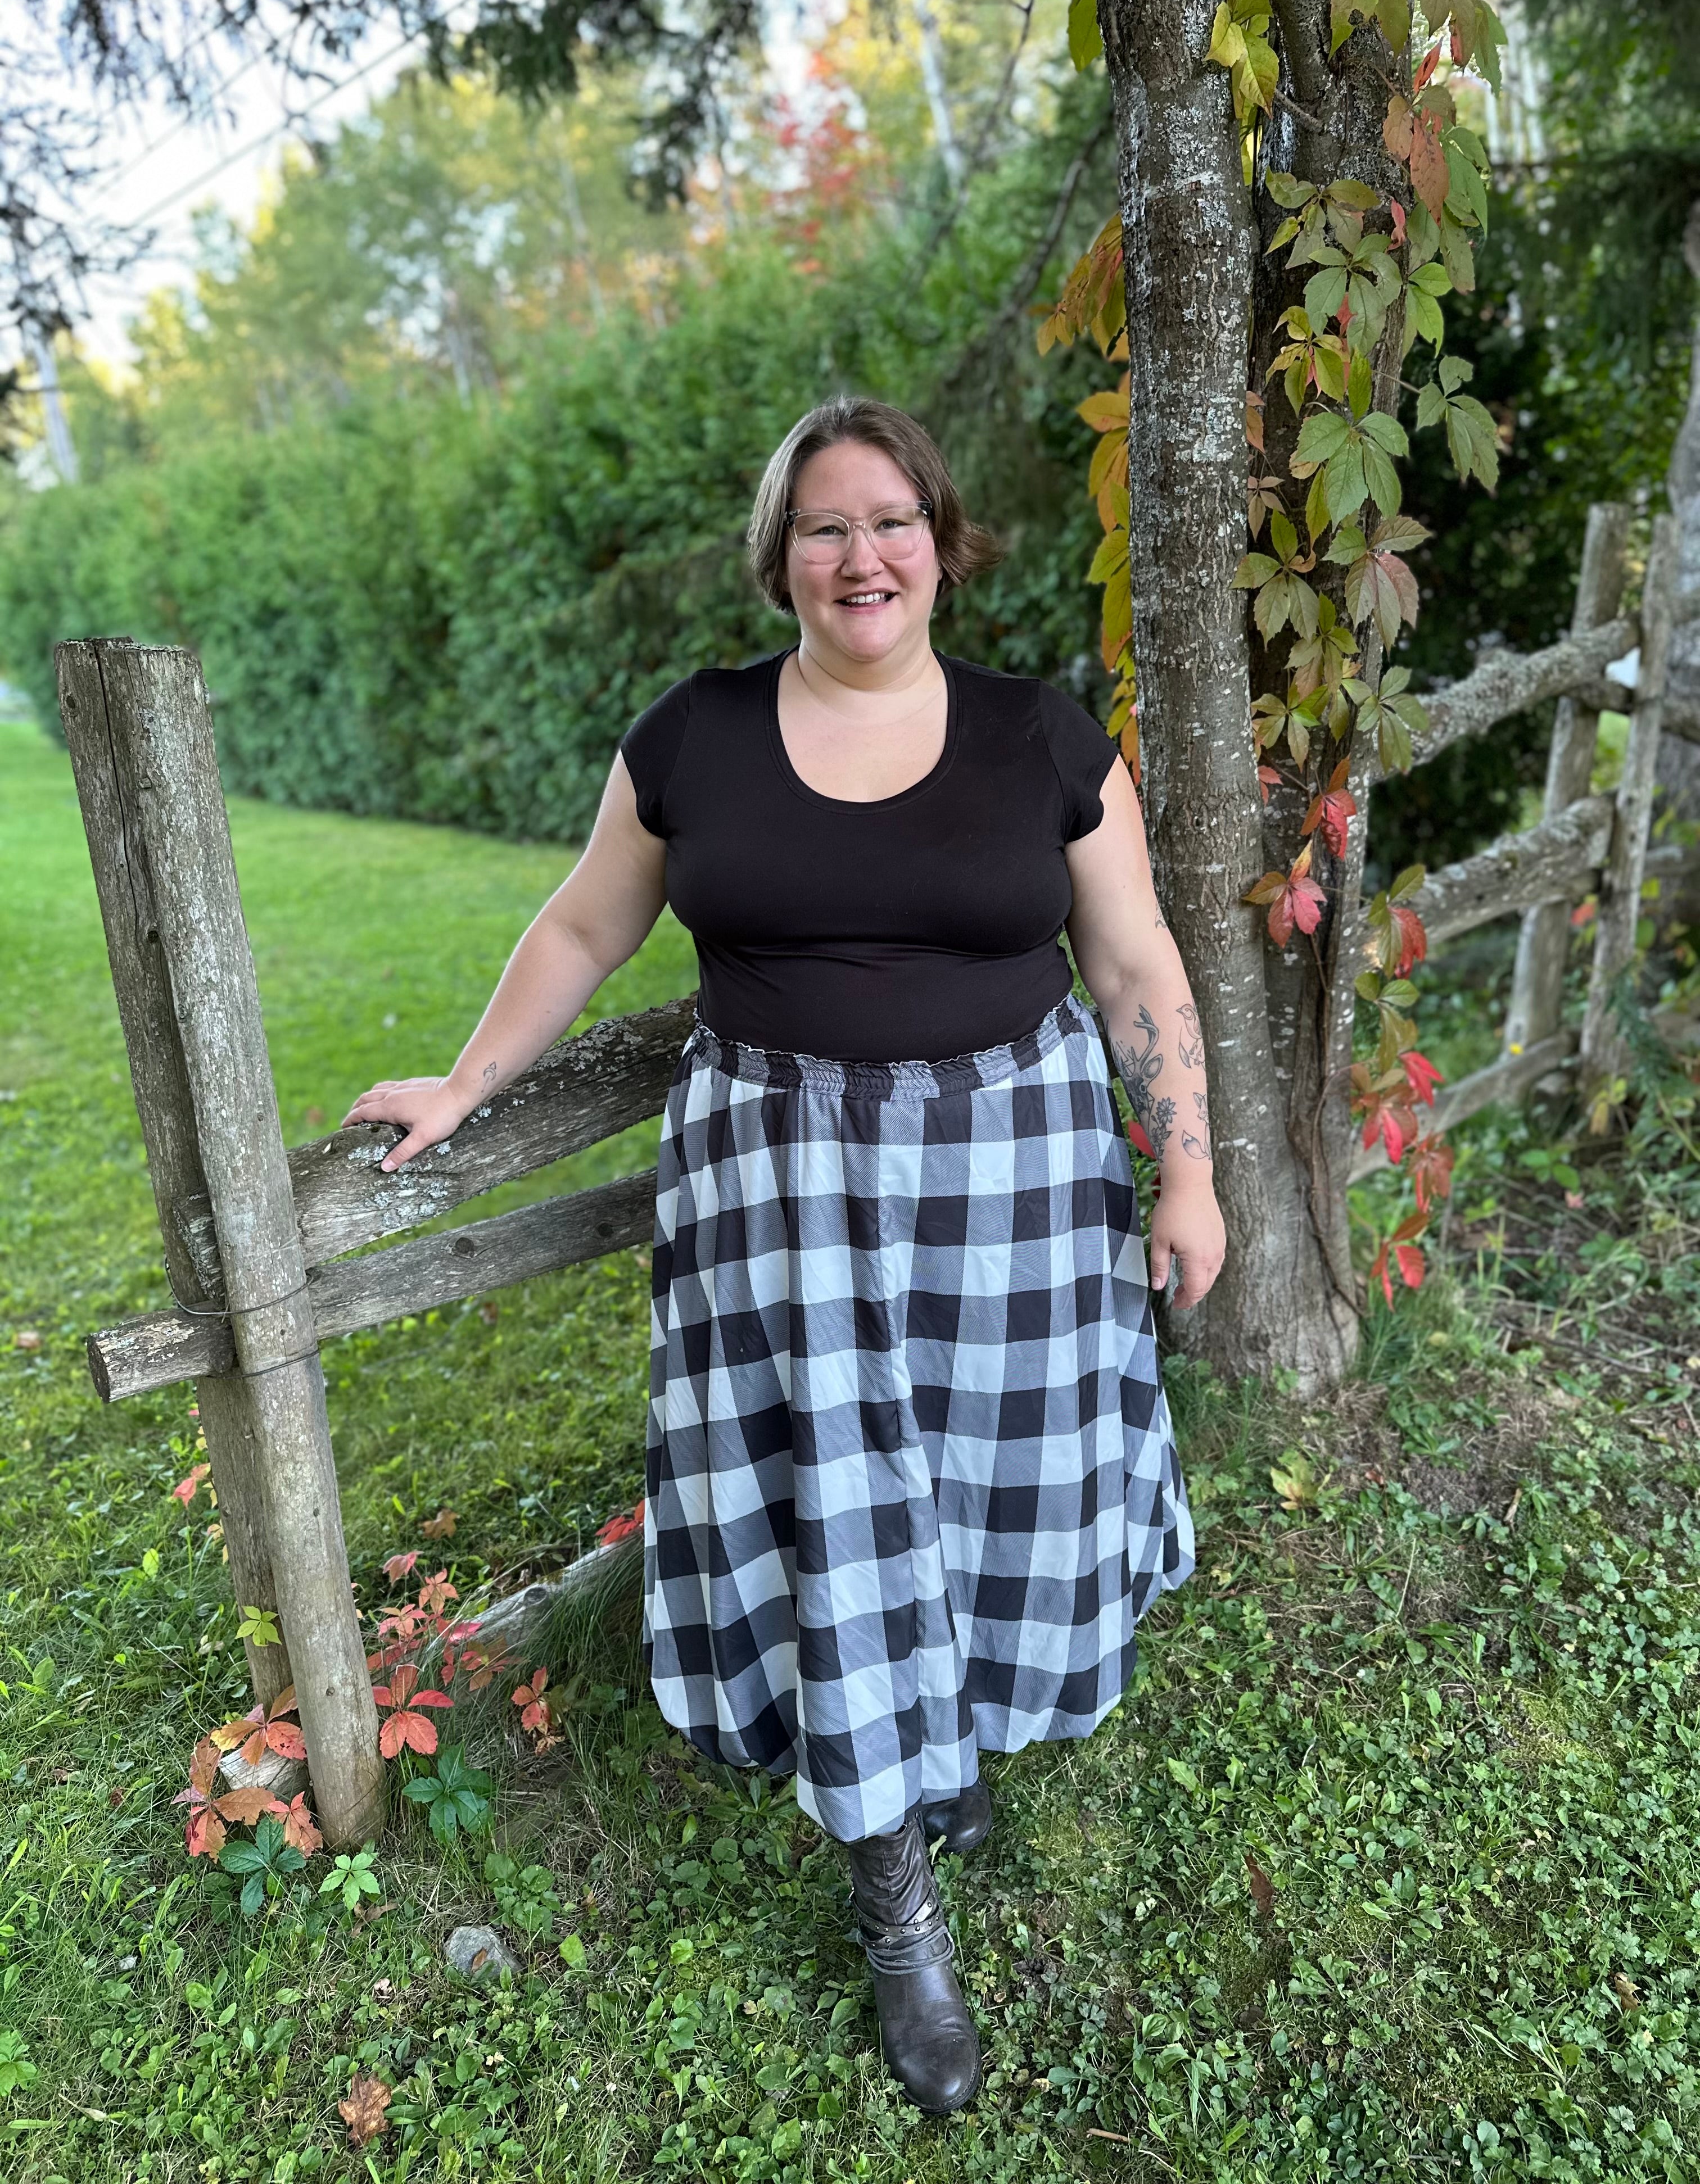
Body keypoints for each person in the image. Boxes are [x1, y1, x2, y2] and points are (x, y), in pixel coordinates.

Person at [344, 395, 1224, 2116]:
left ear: (943, 540)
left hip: (1022, 1170)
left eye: (890, 519)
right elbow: (590, 921)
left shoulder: (1046, 738)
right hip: (777, 1173)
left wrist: (1186, 1173)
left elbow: (1138, 969)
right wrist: (465, 1077)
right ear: (780, 560)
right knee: (833, 1499)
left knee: (990, 1483)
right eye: (823, 527)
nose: (861, 554)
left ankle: (948, 1740)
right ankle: (896, 1899)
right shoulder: (697, 737)